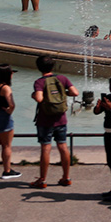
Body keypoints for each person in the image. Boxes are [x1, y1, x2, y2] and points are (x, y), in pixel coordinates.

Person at [29, 55, 78, 189]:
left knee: (46, 148)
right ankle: (66, 177)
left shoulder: (39, 82)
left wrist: (35, 95)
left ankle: (43, 179)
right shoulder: (62, 78)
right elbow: (75, 92)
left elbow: (39, 99)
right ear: (53, 66)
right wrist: (63, 93)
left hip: (45, 120)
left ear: (39, 67)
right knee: (63, 146)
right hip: (61, 118)